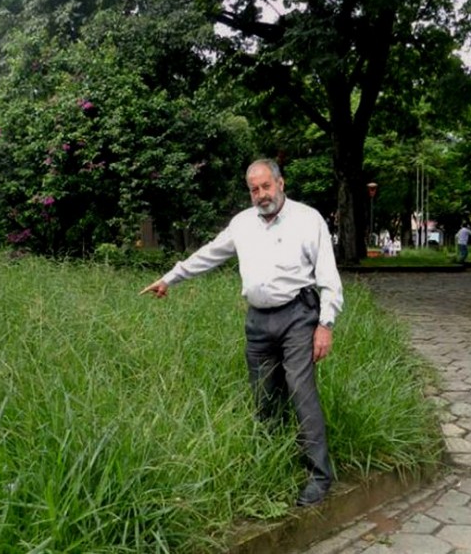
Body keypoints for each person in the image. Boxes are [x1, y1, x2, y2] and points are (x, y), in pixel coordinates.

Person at [140, 159, 344, 507]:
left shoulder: (308, 220)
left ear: (281, 183)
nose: (261, 195)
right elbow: (209, 255)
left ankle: (319, 476)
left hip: (299, 315)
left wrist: (325, 324)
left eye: (266, 186)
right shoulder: (242, 224)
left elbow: (328, 276)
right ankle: (271, 462)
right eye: (254, 189)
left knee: (300, 390)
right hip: (258, 320)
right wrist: (170, 278)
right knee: (263, 396)